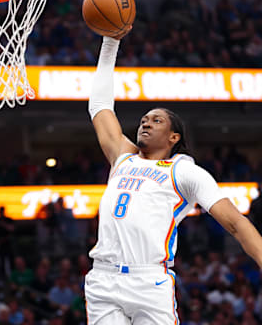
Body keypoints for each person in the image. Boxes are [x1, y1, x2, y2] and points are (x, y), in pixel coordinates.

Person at [84, 31, 262, 325]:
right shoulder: (123, 157)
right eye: (144, 119)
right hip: (103, 278)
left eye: (156, 120)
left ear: (173, 136)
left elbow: (235, 222)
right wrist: (110, 43)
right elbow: (99, 106)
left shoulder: (184, 171)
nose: (146, 122)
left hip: (148, 281)